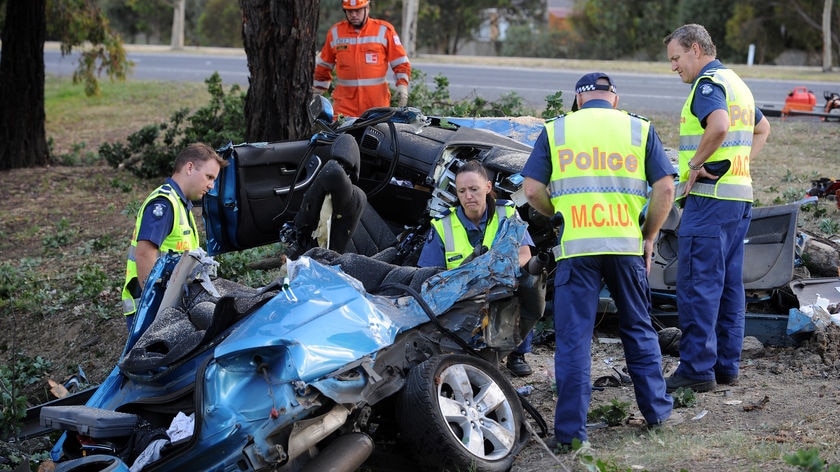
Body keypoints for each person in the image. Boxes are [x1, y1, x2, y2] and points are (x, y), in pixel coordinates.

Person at [522, 72, 680, 447]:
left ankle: (571, 435)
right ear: (615, 99)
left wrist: (558, 212)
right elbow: (667, 187)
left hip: (577, 250)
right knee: (639, 330)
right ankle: (656, 413)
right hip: (626, 246)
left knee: (574, 340)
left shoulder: (557, 130)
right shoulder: (638, 130)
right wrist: (649, 235)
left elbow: (531, 190)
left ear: (578, 100)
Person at [663, 24, 771, 393]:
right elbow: (763, 130)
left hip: (710, 200)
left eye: (676, 58)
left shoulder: (707, 85)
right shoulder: (737, 82)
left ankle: (696, 369)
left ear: (696, 49)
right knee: (728, 287)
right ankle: (726, 366)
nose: (674, 66)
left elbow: (720, 125)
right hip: (739, 196)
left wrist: (694, 165)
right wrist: (740, 163)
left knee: (698, 287)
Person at [417, 160, 537, 377]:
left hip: (503, 286)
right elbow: (429, 273)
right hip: (459, 294)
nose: (468, 196)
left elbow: (525, 255)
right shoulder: (443, 224)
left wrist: (498, 276)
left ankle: (517, 353)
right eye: (462, 191)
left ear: (488, 188)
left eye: (474, 189)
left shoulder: (507, 214)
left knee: (531, 281)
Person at [121, 143, 227, 330]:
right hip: (152, 312)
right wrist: (158, 309)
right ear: (189, 167)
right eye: (209, 177)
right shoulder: (164, 204)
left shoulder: (179, 204)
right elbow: (144, 255)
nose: (211, 186)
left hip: (166, 307)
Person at [313, 0, 411, 119]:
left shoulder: (385, 30)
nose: (354, 15)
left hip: (376, 105)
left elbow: (400, 62)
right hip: (344, 106)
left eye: (358, 10)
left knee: (374, 137)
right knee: (342, 137)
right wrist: (317, 91)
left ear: (367, 8)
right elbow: (324, 66)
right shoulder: (335, 32)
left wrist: (402, 86)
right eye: (350, 11)